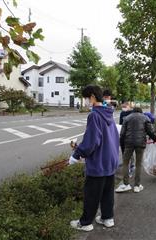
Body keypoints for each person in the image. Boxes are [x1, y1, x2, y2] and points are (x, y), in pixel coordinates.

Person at [69, 85, 119, 231]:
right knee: (107, 192)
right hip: (110, 160)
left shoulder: (94, 115)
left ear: (92, 96)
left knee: (92, 194)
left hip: (98, 163)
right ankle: (107, 218)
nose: (85, 101)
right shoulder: (109, 113)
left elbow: (91, 142)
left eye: (85, 98)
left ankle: (85, 223)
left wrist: (76, 154)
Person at [116, 107, 156, 193]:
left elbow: (122, 134)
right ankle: (137, 186)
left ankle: (126, 184)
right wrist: (155, 139)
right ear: (141, 112)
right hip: (140, 143)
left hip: (128, 143)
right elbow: (150, 131)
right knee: (139, 164)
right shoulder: (146, 118)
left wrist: (122, 146)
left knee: (125, 163)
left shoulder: (127, 118)